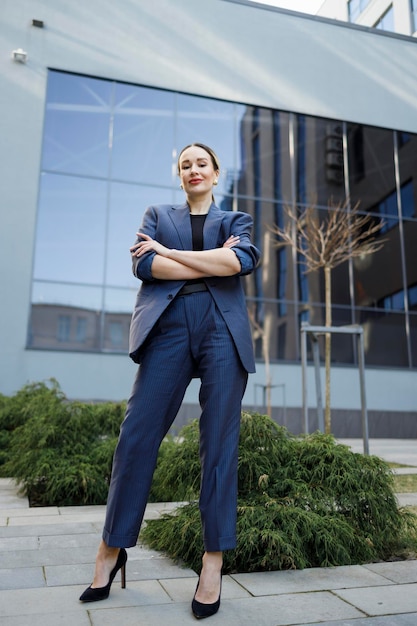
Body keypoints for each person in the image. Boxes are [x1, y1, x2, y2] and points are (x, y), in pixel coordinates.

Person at [79, 142, 261, 619]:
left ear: (216, 173)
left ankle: (212, 562)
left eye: (202, 163)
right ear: (178, 176)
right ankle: (111, 548)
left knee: (218, 443)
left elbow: (238, 263)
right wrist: (194, 258)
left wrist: (171, 255)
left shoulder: (236, 221)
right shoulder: (157, 213)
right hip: (169, 326)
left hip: (223, 328)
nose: (193, 170)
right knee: (136, 434)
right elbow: (144, 265)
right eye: (185, 165)